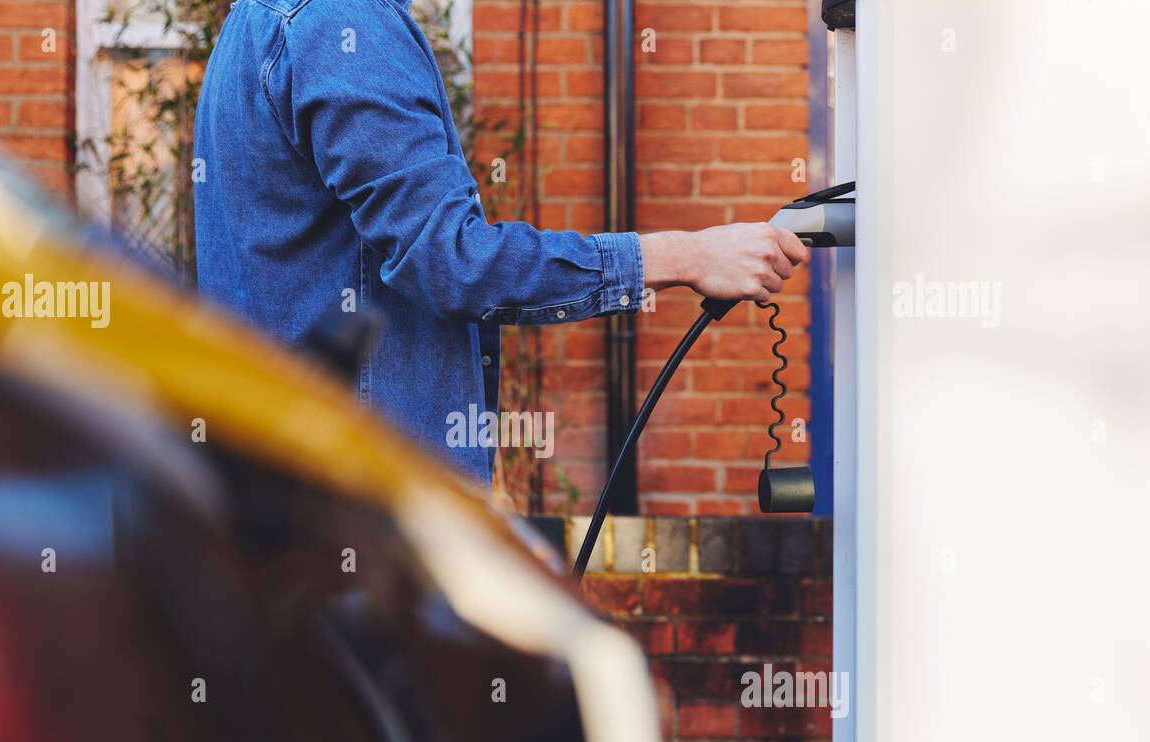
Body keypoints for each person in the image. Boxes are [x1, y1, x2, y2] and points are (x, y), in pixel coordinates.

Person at [193, 0, 807, 482]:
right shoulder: (343, 22)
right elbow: (451, 260)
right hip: (359, 503)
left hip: (287, 498)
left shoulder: (258, 22)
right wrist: (689, 255)